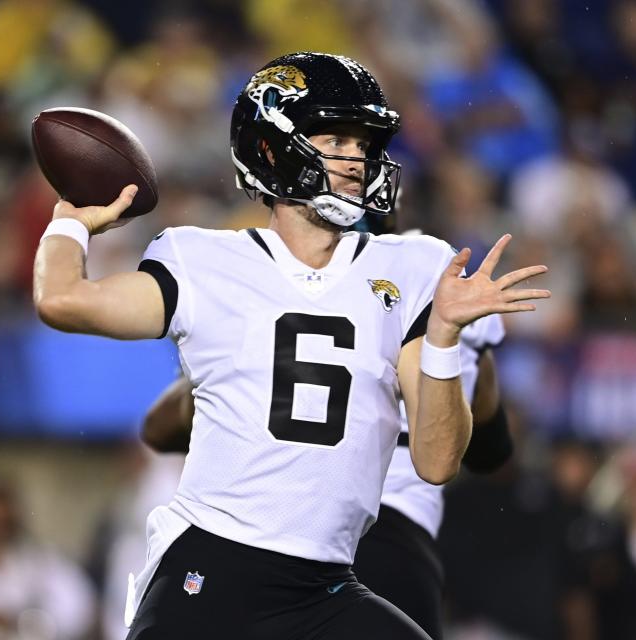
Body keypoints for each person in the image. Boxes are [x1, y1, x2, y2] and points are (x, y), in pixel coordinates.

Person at [33, 52, 549, 639]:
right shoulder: (203, 259)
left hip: (325, 585)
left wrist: (443, 339)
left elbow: (435, 462)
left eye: (363, 143)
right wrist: (71, 221)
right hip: (212, 570)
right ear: (273, 150)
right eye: (336, 138)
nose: (357, 158)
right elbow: (62, 300)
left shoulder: (411, 265)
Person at [141, 211, 514, 640]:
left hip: (278, 542)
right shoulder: (442, 286)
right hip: (393, 549)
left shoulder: (269, 296)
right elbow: (493, 450)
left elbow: (157, 430)